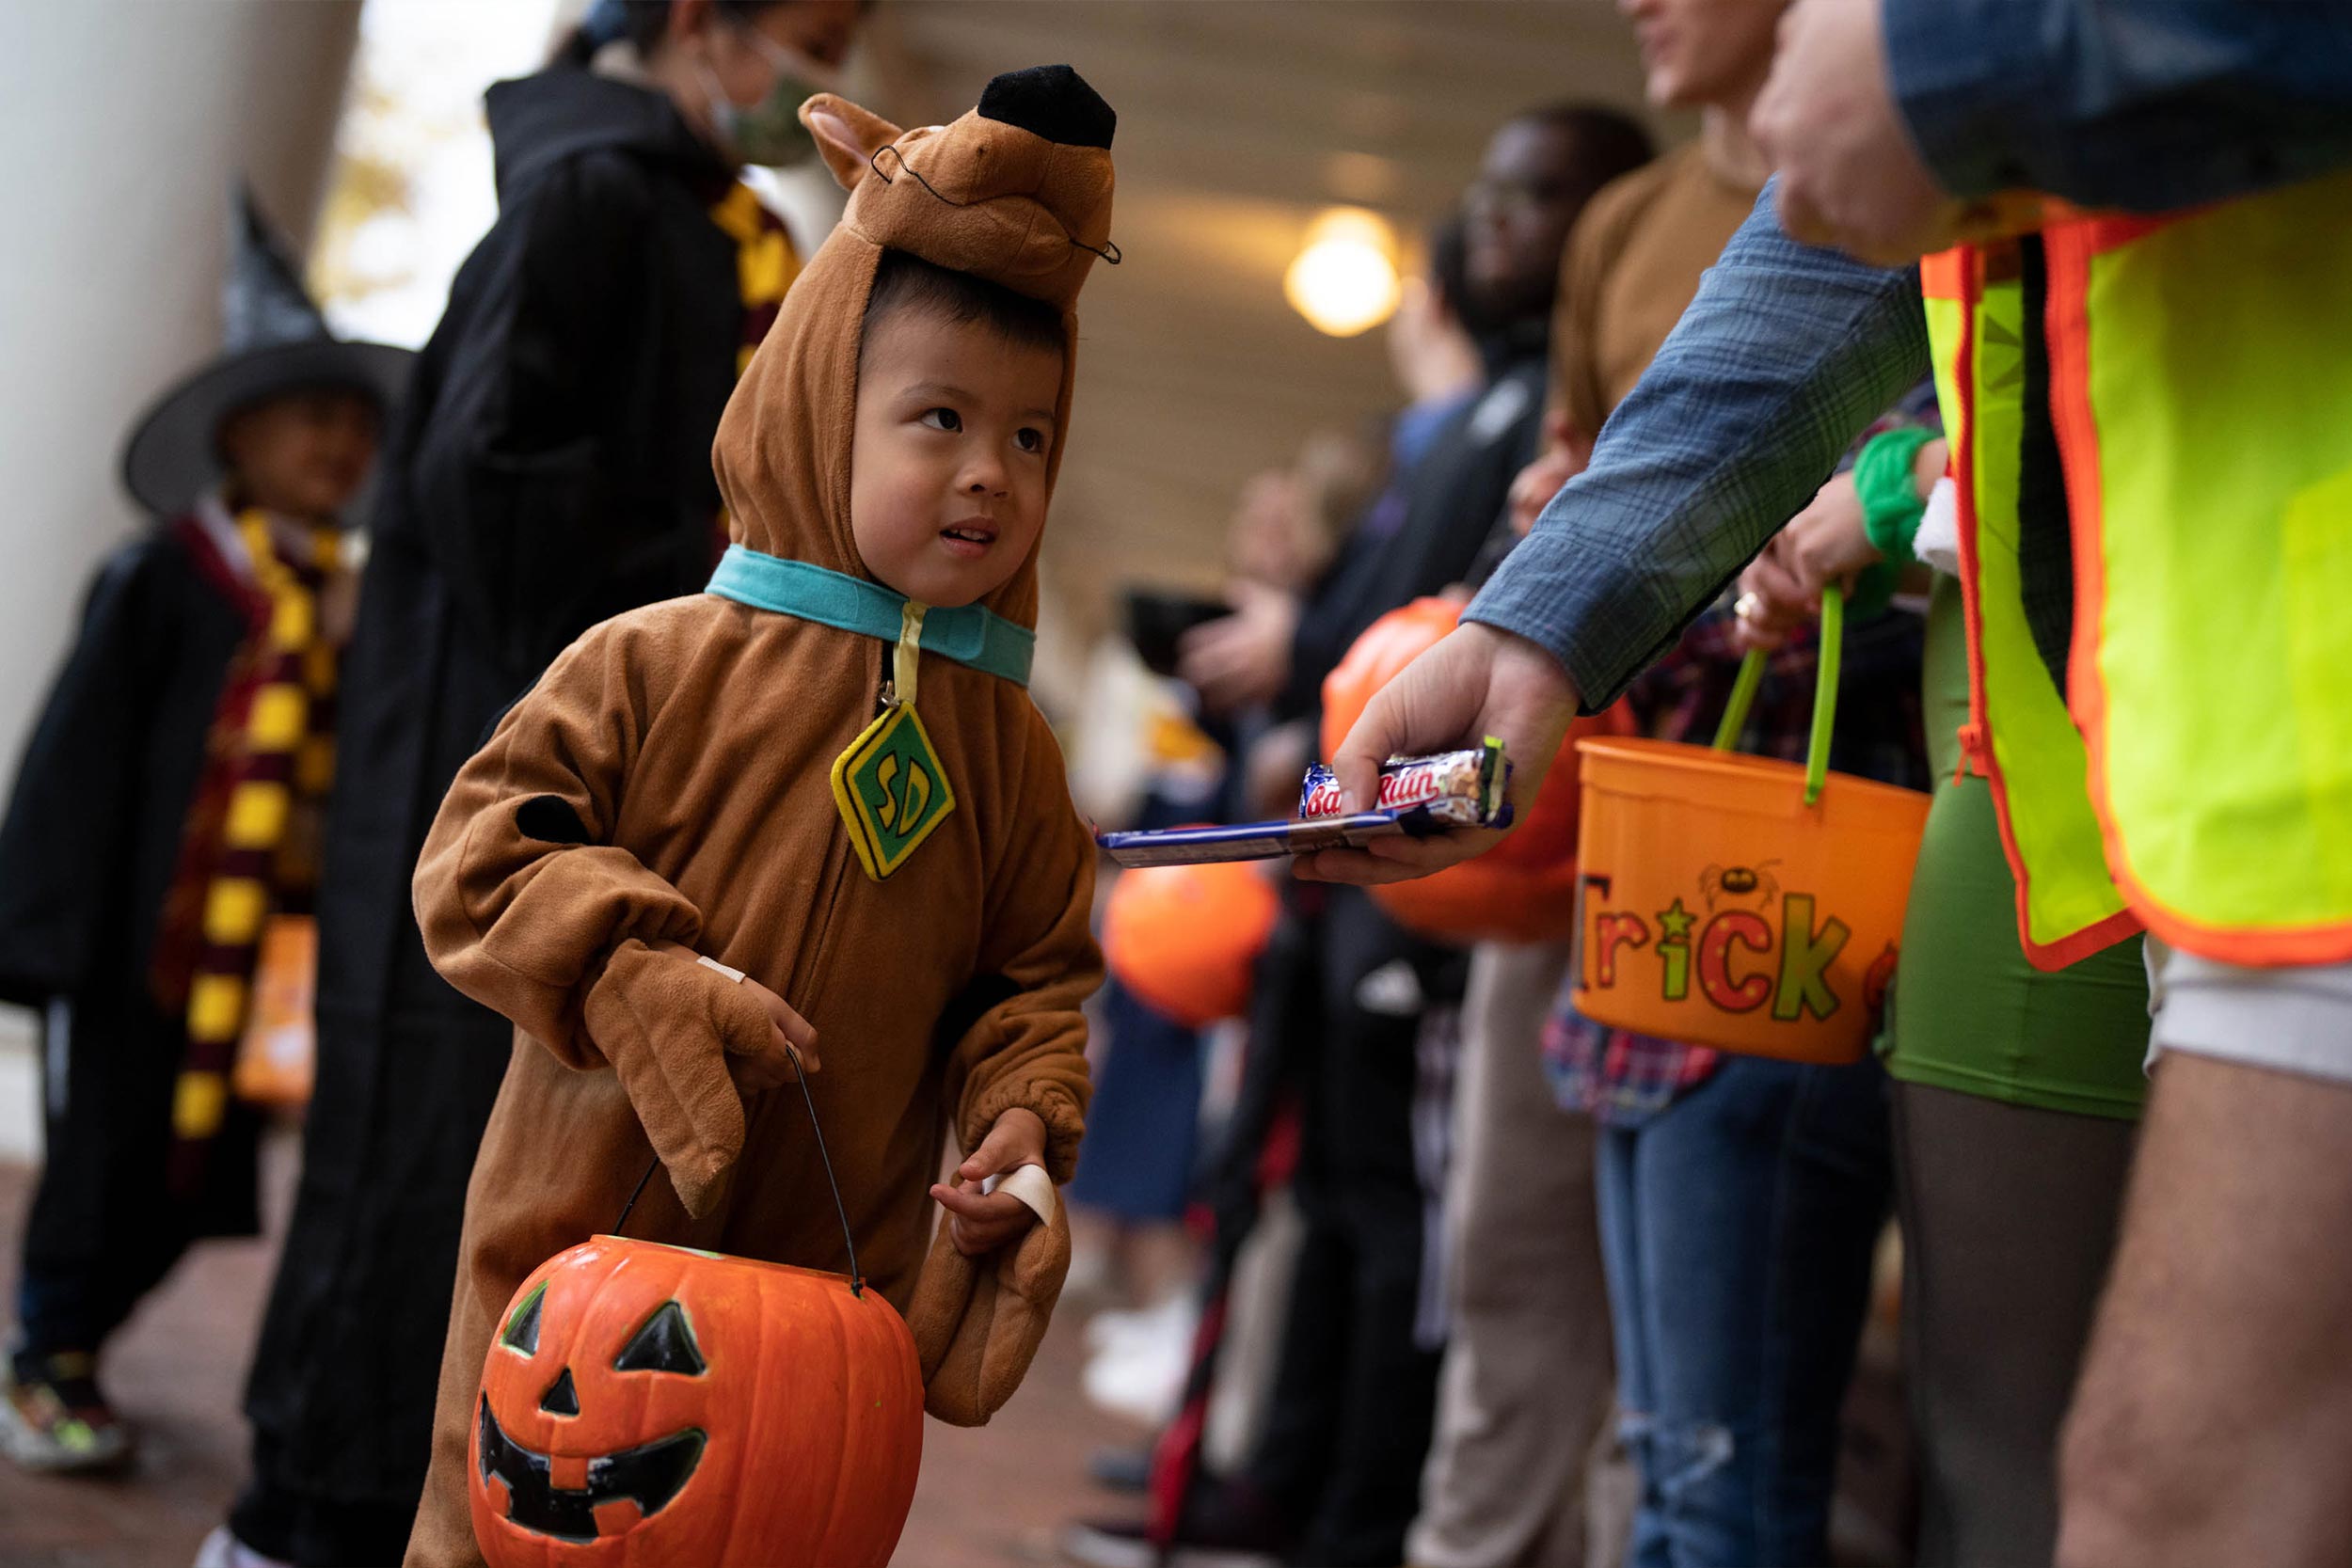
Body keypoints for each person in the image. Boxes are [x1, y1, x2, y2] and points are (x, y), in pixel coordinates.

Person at [1310, 8, 2352, 1564]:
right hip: (2124, 759)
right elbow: (1824, 263)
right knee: (2025, 1464)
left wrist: (1951, 64)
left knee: (2164, 1487)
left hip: (2283, 748)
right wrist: (1537, 620)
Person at [400, 68, 1114, 1567]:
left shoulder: (1018, 759)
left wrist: (1019, 1122)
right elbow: (481, 853)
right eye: (939, 419)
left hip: (814, 1311)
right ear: (813, 409)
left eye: (1031, 436)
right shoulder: (656, 660)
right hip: (568, 1284)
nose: (991, 469)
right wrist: (636, 964)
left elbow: (1033, 981)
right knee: (500, 1534)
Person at [215, 3, 864, 1563]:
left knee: (482, 1161)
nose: (814, 79)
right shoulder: (588, 199)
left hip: (568, 760)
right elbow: (484, 472)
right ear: (703, 23)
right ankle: (305, 1512)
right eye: (813, 32)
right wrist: (706, 582)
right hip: (487, 762)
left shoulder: (705, 223)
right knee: (410, 1153)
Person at [1409, 7, 1773, 1564]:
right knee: (1508, 1232)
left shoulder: (1873, 187)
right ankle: (1471, 1545)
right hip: (1564, 797)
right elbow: (1598, 463)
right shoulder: (1630, 226)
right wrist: (1559, 505)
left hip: (1756, 797)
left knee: (1679, 1287)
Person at [0, 193, 405, 1478]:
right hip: (134, 944)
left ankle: (82, 1334)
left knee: (193, 1176)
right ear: (241, 435)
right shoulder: (168, 579)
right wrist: (41, 932)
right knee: (102, 1155)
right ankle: (45, 1353)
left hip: (259, 962)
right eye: (314, 417)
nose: (342, 441)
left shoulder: (340, 606)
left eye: (357, 423)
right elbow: (77, 759)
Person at [1736, 412, 2149, 1566]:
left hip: (2058, 806)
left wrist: (1896, 487)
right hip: (2067, 768)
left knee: (2009, 1443)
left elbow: (2129, 428)